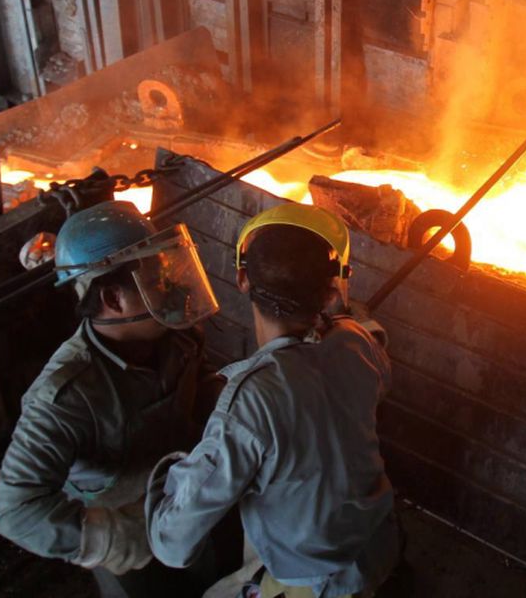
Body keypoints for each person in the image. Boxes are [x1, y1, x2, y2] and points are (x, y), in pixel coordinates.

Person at [146, 204, 399, 598]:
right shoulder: (357, 341)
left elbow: (172, 544)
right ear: (332, 291)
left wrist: (167, 472)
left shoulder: (249, 401)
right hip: (377, 546)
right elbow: (375, 373)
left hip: (318, 579)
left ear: (242, 278)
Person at [0, 200, 226, 597]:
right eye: (155, 283)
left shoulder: (179, 338)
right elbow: (16, 510)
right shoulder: (66, 396)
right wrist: (117, 539)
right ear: (114, 300)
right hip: (131, 528)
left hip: (187, 500)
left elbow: (200, 392)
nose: (172, 291)